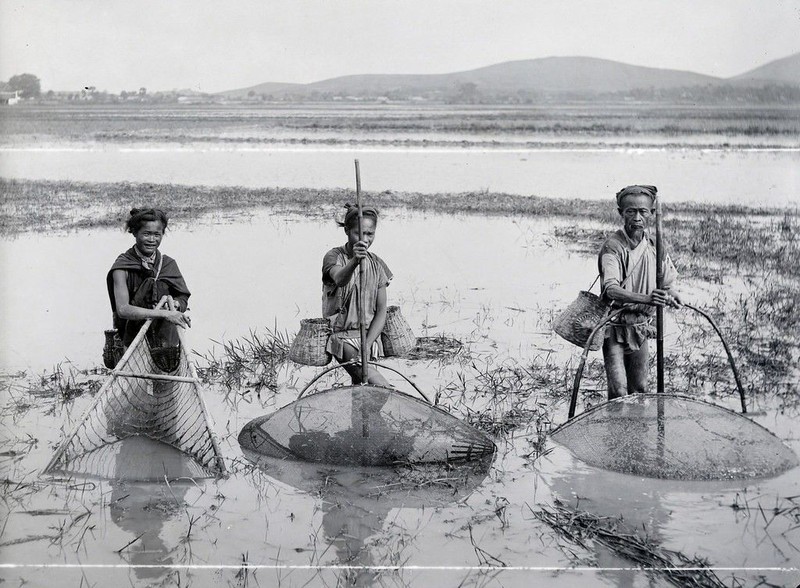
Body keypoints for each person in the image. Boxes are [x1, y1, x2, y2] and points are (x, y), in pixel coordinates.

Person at [598, 185, 683, 399]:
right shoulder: (613, 247)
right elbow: (611, 289)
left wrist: (673, 295)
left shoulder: (655, 246)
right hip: (614, 325)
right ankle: (616, 430)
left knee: (639, 389)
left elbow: (667, 281)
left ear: (651, 214)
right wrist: (646, 298)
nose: (637, 217)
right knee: (618, 391)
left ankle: (634, 431)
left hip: (640, 326)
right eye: (631, 211)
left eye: (643, 212)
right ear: (621, 213)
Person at [105, 208, 191, 368]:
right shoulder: (122, 267)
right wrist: (165, 313)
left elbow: (183, 297)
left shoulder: (168, 264)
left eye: (157, 235)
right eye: (146, 234)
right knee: (136, 383)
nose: (152, 239)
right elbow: (123, 310)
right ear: (134, 233)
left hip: (166, 341)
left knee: (165, 385)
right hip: (134, 340)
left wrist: (177, 305)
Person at [322, 204, 391, 386]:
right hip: (343, 337)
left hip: (369, 337)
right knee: (380, 387)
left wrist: (368, 343)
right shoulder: (334, 256)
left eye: (370, 234)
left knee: (361, 392)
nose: (365, 240)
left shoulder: (377, 264)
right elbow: (339, 279)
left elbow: (381, 310)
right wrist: (354, 261)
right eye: (358, 234)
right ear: (346, 230)